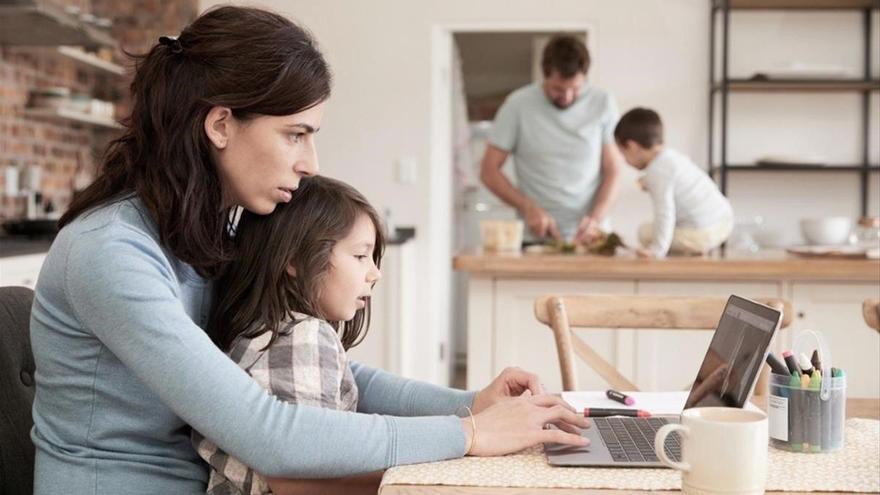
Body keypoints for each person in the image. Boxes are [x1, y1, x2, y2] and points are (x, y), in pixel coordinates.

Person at [29, 6, 588, 494]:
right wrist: (470, 434)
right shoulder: (113, 253)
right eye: (296, 134)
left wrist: (471, 405)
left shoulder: (209, 234)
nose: (311, 162)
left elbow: (327, 370)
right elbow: (267, 433)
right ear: (221, 124)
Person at [479, 34, 624, 245]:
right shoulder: (517, 105)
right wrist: (527, 207)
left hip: (591, 238)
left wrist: (595, 218)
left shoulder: (602, 103)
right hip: (535, 237)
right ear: (544, 76)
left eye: (575, 89)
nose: (566, 96)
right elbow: (488, 171)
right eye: (557, 89)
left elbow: (614, 169)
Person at [613, 107, 733, 258]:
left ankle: (694, 246)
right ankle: (696, 247)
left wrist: (657, 250)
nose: (625, 161)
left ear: (632, 146)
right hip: (724, 222)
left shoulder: (657, 171)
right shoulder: (672, 158)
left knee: (644, 232)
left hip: (703, 233)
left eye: (623, 154)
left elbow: (665, 212)